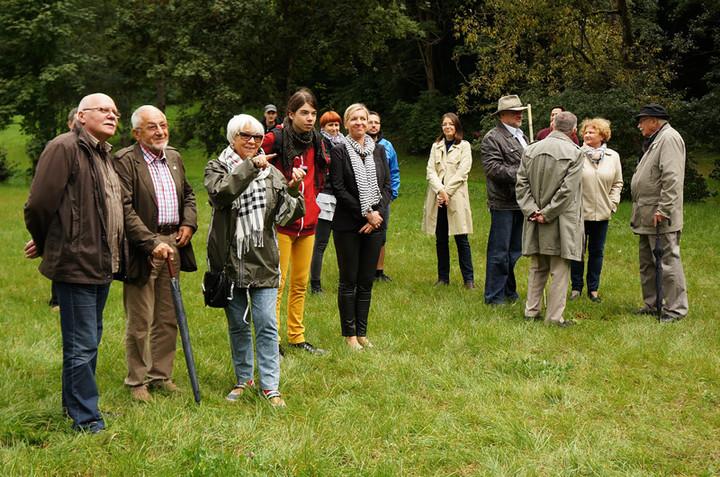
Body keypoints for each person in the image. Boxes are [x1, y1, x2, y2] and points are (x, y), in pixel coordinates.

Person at [24, 93, 124, 433]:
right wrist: (46, 242)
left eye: (115, 112)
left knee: (89, 340)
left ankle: (77, 406)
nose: (112, 115)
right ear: (81, 116)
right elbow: (38, 203)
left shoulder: (103, 154)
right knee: (81, 345)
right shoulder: (65, 147)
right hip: (76, 263)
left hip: (102, 263)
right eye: (103, 110)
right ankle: (86, 418)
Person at [205, 114, 306, 407]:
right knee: (237, 323)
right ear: (233, 137)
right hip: (229, 259)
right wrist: (251, 166)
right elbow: (221, 194)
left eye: (257, 138)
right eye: (245, 136)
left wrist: (294, 189)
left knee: (266, 323)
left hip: (263, 259)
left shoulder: (272, 173)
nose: (252, 142)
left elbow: (286, 216)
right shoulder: (217, 167)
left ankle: (270, 386)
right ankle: (244, 379)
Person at [114, 105, 198, 402]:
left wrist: (188, 222)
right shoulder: (125, 161)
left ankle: (160, 376)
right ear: (137, 133)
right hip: (142, 248)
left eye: (163, 125)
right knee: (140, 318)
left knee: (168, 315)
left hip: (173, 243)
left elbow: (188, 193)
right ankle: (137, 381)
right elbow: (123, 209)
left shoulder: (173, 156)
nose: (160, 131)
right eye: (152, 127)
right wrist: (151, 242)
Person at [261, 88, 328, 355]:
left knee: (300, 284)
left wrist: (310, 198)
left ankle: (297, 337)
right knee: (278, 283)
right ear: (290, 114)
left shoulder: (317, 140)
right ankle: (272, 340)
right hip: (280, 223)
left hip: (308, 223)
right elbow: (255, 171)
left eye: (313, 113)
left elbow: (320, 176)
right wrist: (284, 186)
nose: (310, 118)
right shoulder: (273, 138)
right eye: (304, 113)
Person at [329, 103, 392, 350]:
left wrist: (376, 215)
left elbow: (386, 186)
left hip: (375, 223)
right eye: (353, 119)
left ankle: (363, 333)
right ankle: (350, 335)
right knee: (348, 280)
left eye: (363, 119)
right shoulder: (339, 152)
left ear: (369, 123)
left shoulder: (379, 151)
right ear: (346, 124)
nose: (359, 123)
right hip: (348, 225)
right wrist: (365, 214)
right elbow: (339, 189)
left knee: (366, 280)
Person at [515, 111, 584, 326]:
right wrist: (547, 213)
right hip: (560, 220)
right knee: (559, 269)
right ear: (574, 130)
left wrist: (532, 210)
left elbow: (521, 185)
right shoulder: (575, 152)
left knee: (538, 266)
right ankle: (554, 318)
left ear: (552, 125)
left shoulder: (530, 149)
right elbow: (567, 191)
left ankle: (531, 311)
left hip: (535, 218)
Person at [630, 104, 688, 323]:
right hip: (646, 214)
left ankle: (675, 309)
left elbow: (672, 178)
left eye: (642, 121)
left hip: (659, 214)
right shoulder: (656, 139)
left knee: (667, 262)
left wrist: (664, 208)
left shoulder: (669, 138)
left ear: (654, 121)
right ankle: (652, 304)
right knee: (647, 262)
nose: (639, 126)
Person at [480, 94, 528, 305]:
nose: (520, 114)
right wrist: (525, 173)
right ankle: (494, 297)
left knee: (514, 252)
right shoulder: (492, 137)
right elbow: (493, 169)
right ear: (501, 115)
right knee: (499, 252)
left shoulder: (522, 136)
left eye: (520, 111)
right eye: (514, 111)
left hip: (521, 202)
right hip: (503, 202)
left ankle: (510, 291)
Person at [569, 118, 623, 302]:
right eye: (586, 132)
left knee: (596, 252)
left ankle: (593, 289)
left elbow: (617, 183)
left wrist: (612, 203)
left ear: (602, 135)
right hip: (579, 213)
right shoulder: (576, 154)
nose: (587, 135)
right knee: (577, 251)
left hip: (602, 213)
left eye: (592, 132)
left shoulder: (612, 157)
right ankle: (576, 288)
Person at [421, 113, 475, 289]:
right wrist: (440, 191)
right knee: (441, 239)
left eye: (451, 124)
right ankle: (443, 278)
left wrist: (447, 192)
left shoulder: (464, 146)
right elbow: (431, 171)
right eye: (444, 124)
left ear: (457, 127)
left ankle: (469, 279)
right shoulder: (436, 146)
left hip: (455, 198)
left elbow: (463, 172)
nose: (447, 127)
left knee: (461, 238)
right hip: (438, 199)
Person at [309, 110, 345, 295]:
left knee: (343, 242)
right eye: (330, 125)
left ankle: (345, 281)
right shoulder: (320, 143)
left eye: (337, 125)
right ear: (322, 127)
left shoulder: (344, 143)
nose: (334, 128)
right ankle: (315, 285)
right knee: (320, 243)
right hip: (325, 196)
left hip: (342, 198)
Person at [48, 107, 79, 313]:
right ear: (69, 124)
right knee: (62, 255)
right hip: (62, 211)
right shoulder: (59, 145)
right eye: (77, 121)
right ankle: (57, 300)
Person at [367, 111, 400, 282]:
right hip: (363, 200)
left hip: (383, 200)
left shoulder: (387, 146)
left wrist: (391, 196)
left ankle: (378, 272)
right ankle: (363, 270)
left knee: (381, 236)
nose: (373, 125)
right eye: (370, 122)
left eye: (376, 123)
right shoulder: (358, 144)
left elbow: (394, 172)